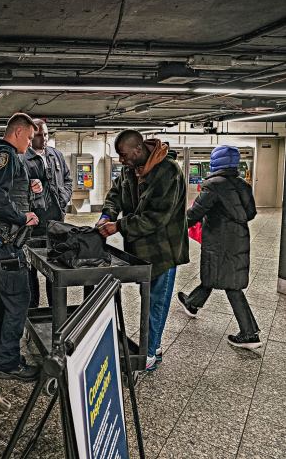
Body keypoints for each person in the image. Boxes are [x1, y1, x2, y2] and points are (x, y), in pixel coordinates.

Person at [97, 130, 188, 371]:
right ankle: (154, 344)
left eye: (123, 155)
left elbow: (155, 218)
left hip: (163, 250)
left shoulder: (168, 172)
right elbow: (116, 193)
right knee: (148, 298)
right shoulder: (132, 168)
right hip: (141, 248)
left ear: (138, 150)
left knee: (157, 300)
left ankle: (148, 355)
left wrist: (118, 226)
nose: (121, 160)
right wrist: (107, 214)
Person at [177, 146, 261, 349]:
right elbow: (250, 213)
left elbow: (194, 214)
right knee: (215, 274)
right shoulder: (243, 185)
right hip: (238, 238)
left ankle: (249, 334)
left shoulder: (213, 185)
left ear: (216, 162)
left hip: (218, 240)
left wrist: (172, 225)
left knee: (231, 285)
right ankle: (193, 303)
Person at [0, 112, 40, 382]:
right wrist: (22, 216)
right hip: (6, 241)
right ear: (17, 132)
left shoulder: (1, 156)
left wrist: (32, 187)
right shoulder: (5, 156)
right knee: (18, 300)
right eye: (28, 137)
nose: (29, 143)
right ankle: (9, 363)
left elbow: (6, 190)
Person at [24, 119, 72, 308]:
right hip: (32, 227)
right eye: (38, 135)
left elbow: (68, 180)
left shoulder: (56, 155)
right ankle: (32, 311)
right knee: (30, 272)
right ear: (30, 136)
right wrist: (29, 189)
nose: (43, 138)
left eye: (45, 134)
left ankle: (56, 313)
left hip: (56, 224)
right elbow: (14, 191)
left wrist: (63, 198)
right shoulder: (22, 158)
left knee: (57, 271)